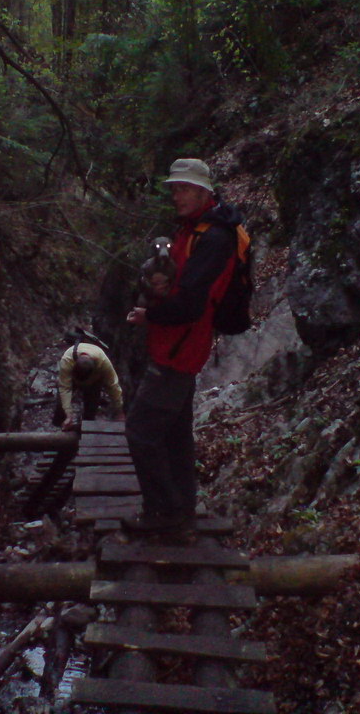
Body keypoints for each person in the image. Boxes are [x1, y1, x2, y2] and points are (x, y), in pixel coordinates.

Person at [123, 158, 244, 532]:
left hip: (179, 350)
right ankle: (182, 511)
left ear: (205, 192)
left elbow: (191, 303)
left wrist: (150, 316)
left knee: (141, 433)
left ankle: (163, 512)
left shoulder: (214, 238)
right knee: (175, 436)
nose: (177, 194)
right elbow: (180, 286)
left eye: (185, 188)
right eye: (175, 188)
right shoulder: (195, 229)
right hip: (176, 346)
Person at [53, 341, 125, 431]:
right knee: (61, 405)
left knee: (91, 408)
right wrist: (68, 414)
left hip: (94, 382)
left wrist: (119, 410)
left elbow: (113, 386)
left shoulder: (104, 363)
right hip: (74, 379)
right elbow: (64, 388)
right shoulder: (67, 360)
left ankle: (87, 429)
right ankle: (57, 427)